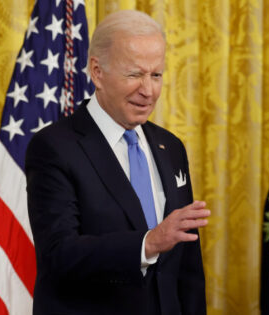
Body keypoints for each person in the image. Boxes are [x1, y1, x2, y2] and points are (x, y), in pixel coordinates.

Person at [25, 10, 210, 315]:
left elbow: (188, 267)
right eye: (134, 74)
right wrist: (147, 243)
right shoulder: (54, 147)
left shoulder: (171, 147)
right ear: (97, 72)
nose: (148, 90)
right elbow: (58, 254)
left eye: (156, 75)